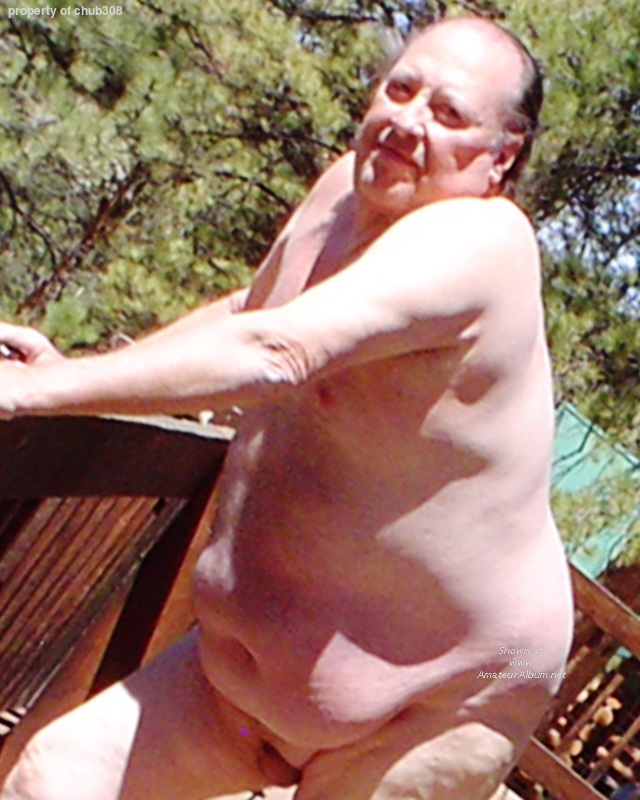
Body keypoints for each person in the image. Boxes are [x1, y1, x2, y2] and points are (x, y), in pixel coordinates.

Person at [0, 15, 573, 800]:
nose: (409, 121)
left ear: (501, 154)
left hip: (434, 704)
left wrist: (32, 394)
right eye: (401, 89)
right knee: (48, 780)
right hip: (237, 685)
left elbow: (277, 350)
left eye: (448, 114)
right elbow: (253, 311)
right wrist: (75, 372)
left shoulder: (486, 244)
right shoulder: (343, 191)